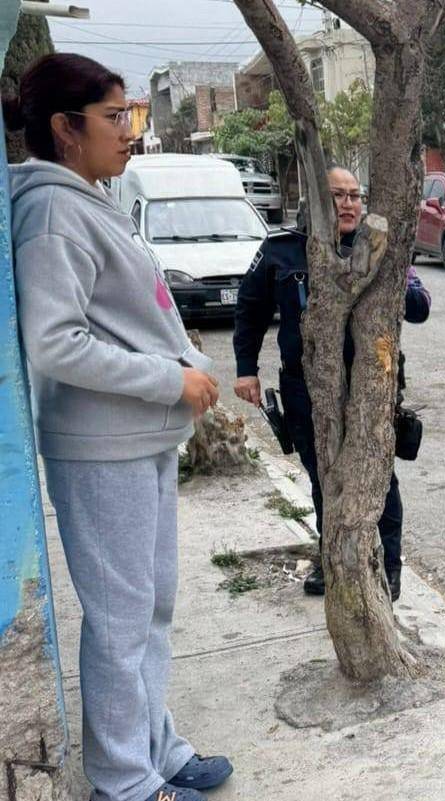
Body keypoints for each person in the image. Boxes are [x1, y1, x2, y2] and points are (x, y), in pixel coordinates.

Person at [6, 54, 232, 801]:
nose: (129, 131)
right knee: (119, 619)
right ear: (66, 128)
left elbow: (130, 314)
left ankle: (155, 748)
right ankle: (124, 780)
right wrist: (170, 378)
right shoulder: (51, 212)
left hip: (138, 437)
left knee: (149, 609)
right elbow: (56, 342)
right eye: (114, 117)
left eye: (129, 115)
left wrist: (184, 365)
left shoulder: (91, 197)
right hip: (100, 447)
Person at [232, 167, 431, 601]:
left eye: (354, 195)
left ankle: (387, 569)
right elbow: (249, 308)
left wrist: (384, 273)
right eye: (337, 195)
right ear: (317, 201)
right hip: (306, 390)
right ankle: (334, 563)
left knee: (379, 479)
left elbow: (420, 306)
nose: (348, 204)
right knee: (325, 479)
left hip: (369, 388)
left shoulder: (379, 249)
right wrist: (246, 369)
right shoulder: (283, 250)